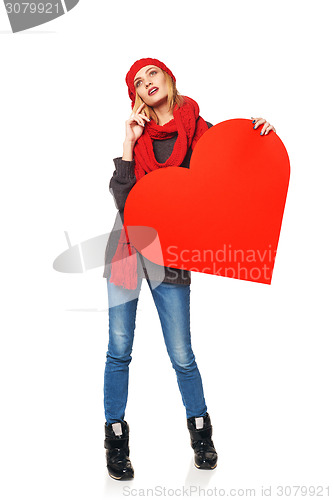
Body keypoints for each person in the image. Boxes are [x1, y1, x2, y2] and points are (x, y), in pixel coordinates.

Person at [102, 58, 276, 480]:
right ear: (136, 97)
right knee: (119, 349)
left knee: (182, 354)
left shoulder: (200, 129)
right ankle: (115, 437)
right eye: (138, 82)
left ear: (169, 78)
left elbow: (233, 169)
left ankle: (200, 432)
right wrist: (128, 141)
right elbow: (126, 202)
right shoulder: (140, 139)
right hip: (127, 248)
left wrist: (258, 135)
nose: (147, 83)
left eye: (152, 74)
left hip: (172, 253)